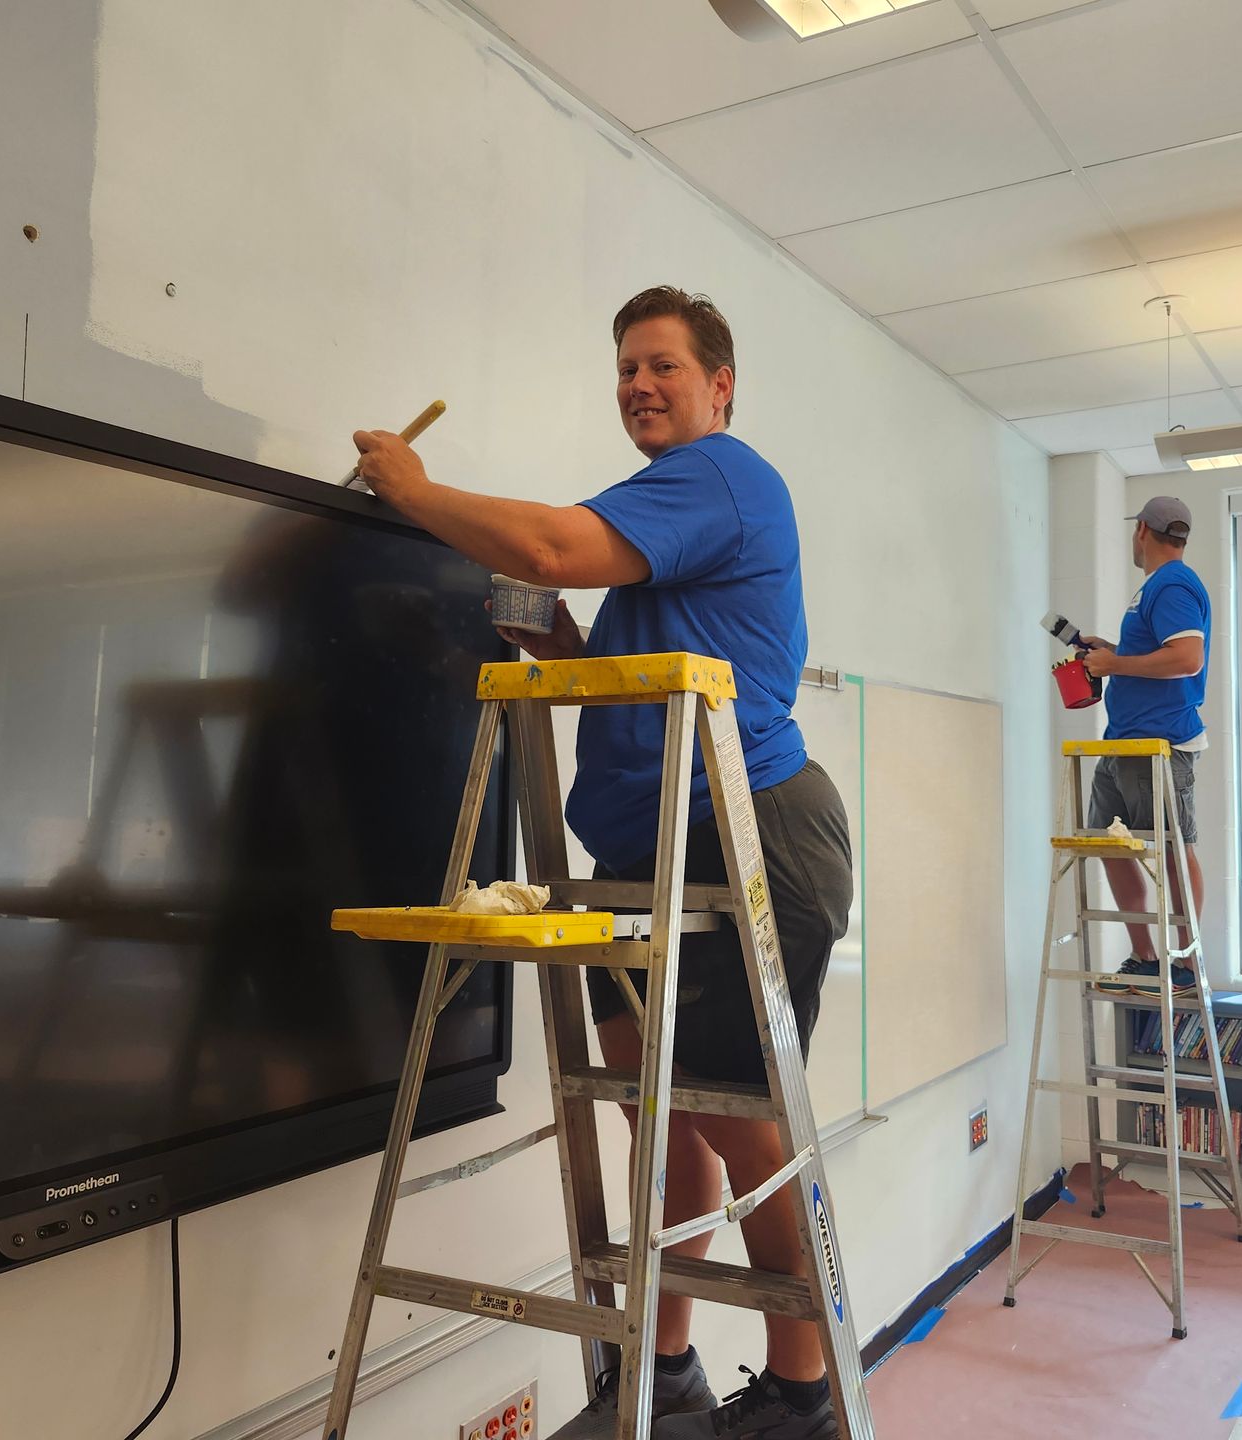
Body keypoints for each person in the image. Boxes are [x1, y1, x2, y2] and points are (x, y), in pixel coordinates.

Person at [351, 287, 850, 1440]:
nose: (639, 384)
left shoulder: (722, 475)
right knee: (654, 1121)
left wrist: (417, 492)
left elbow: (547, 543)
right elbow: (597, 636)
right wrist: (552, 639)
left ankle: (800, 1397)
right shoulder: (663, 518)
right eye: (627, 367)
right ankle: (661, 1381)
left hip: (745, 832)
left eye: (663, 366)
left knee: (738, 1124)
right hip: (639, 849)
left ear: (720, 386)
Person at [1076, 495, 1211, 998]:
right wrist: (1113, 652)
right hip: (1124, 744)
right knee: (1111, 845)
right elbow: (1162, 653)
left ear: (1141, 532)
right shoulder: (1156, 587)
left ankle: (1184, 964)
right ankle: (1145, 958)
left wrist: (1115, 667)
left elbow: (1187, 658)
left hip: (1161, 746)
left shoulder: (1173, 583)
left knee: (1174, 853)